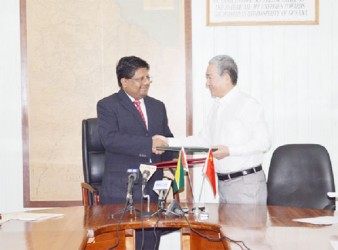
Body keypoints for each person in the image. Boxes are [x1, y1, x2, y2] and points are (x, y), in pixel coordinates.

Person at [165, 55, 271, 205]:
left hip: (246, 185)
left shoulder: (248, 105)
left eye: (210, 77)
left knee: (247, 229)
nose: (207, 83)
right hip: (224, 185)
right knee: (226, 229)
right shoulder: (217, 107)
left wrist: (230, 151)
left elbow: (264, 142)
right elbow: (203, 140)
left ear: (226, 77)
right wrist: (167, 141)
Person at [97, 56, 175, 249]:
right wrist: (149, 144)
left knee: (149, 243)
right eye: (140, 78)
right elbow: (110, 139)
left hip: (153, 190)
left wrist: (177, 154)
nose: (146, 82)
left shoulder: (158, 106)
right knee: (122, 244)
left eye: (148, 77)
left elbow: (166, 139)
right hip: (122, 190)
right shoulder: (108, 105)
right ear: (124, 82)